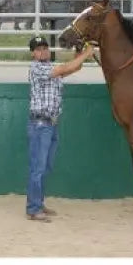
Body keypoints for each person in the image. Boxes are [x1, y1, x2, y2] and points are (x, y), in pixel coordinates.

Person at [26, 35, 95, 222]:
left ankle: (37, 203)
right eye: (39, 49)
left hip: (50, 123)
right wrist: (87, 53)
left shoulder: (49, 67)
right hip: (41, 124)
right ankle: (33, 208)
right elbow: (66, 68)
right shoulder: (36, 68)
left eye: (45, 48)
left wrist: (79, 53)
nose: (43, 51)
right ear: (33, 53)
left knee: (44, 167)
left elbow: (75, 67)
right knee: (38, 168)